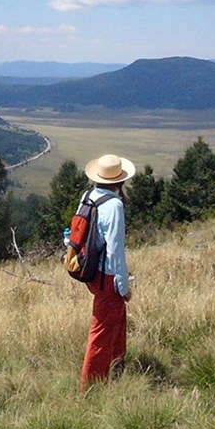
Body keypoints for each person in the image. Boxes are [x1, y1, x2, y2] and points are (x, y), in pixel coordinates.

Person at [79, 153, 135, 392]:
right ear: (120, 181)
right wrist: (123, 286)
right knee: (100, 331)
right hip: (107, 277)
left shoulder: (89, 196)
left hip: (91, 272)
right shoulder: (114, 205)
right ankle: (91, 387)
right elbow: (115, 250)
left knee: (117, 318)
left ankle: (117, 363)